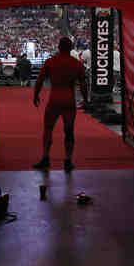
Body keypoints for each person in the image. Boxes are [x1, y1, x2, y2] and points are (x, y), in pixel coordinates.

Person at [32, 37, 89, 172]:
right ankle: (68, 161)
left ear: (58, 47)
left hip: (54, 99)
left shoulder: (50, 62)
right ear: (71, 48)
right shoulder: (76, 63)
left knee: (48, 129)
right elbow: (83, 84)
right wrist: (86, 99)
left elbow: (39, 80)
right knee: (69, 131)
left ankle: (45, 157)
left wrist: (36, 95)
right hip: (69, 99)